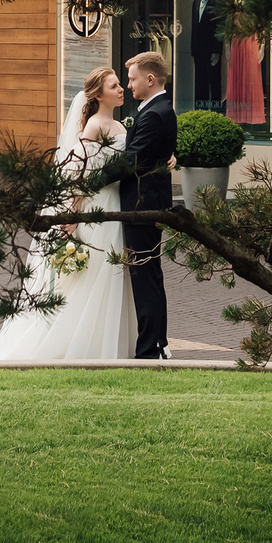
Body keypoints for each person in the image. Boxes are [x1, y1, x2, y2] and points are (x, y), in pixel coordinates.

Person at [0, 67, 136, 361]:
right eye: (114, 86)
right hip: (95, 208)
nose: (121, 89)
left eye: (119, 84)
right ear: (99, 95)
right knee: (93, 274)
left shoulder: (121, 127)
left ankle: (108, 340)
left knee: (112, 272)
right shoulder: (93, 126)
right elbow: (80, 174)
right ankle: (80, 342)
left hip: (115, 205)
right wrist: (73, 216)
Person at [105, 50, 175, 360]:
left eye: (132, 79)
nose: (129, 85)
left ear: (150, 79)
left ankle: (148, 351)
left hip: (142, 206)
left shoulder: (156, 113)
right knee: (150, 277)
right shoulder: (155, 109)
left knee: (145, 279)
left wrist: (89, 180)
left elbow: (131, 161)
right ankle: (158, 343)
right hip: (145, 203)